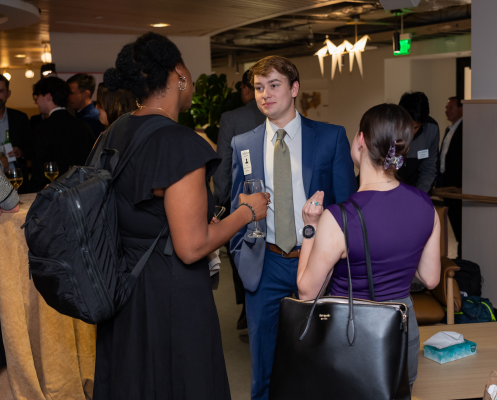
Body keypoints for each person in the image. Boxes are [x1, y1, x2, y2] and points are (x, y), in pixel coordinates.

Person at [93, 32, 269, 400]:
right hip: (170, 291)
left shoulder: (112, 133)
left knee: (137, 382)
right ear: (179, 75)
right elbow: (191, 247)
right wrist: (246, 211)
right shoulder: (180, 143)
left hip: (122, 286)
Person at [230, 55, 358, 400]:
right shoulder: (244, 144)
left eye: (274, 85)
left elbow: (348, 206)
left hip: (317, 260)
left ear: (294, 88)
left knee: (321, 357)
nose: (265, 94)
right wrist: (242, 255)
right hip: (266, 263)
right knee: (263, 364)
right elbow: (236, 207)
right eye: (259, 87)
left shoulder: (330, 138)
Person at [296, 103, 441, 391]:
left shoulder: (339, 218)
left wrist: (309, 229)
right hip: (401, 329)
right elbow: (431, 278)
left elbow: (307, 292)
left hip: (352, 334)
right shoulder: (426, 205)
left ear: (360, 140)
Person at [213, 69, 265, 329]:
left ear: (246, 89)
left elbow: (222, 166)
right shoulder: (281, 114)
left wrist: (222, 203)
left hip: (242, 201)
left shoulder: (231, 118)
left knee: (243, 252)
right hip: (273, 201)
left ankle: (248, 307)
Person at [25, 77, 95, 193]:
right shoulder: (84, 126)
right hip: (82, 192)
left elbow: (39, 172)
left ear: (48, 96)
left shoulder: (42, 128)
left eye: (37, 96)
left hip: (54, 194)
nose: (35, 101)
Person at [397, 91, 439, 193]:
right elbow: (384, 170)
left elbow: (429, 170)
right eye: (407, 125)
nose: (410, 132)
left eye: (415, 127)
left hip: (414, 189)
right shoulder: (387, 127)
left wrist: (420, 197)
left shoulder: (431, 129)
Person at [438, 96, 463, 257]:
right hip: (446, 185)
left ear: (462, 108)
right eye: (447, 108)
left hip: (458, 187)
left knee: (461, 228)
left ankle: (462, 259)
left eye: (451, 107)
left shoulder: (465, 129)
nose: (447, 111)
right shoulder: (449, 129)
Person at [0, 75, 33, 185]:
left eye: (1, 91)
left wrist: (21, 152)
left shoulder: (20, 118)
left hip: (16, 180)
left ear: (8, 94)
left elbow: (32, 148)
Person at [67, 73, 104, 137]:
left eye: (72, 93)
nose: (68, 97)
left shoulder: (93, 120)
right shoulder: (79, 114)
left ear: (86, 94)